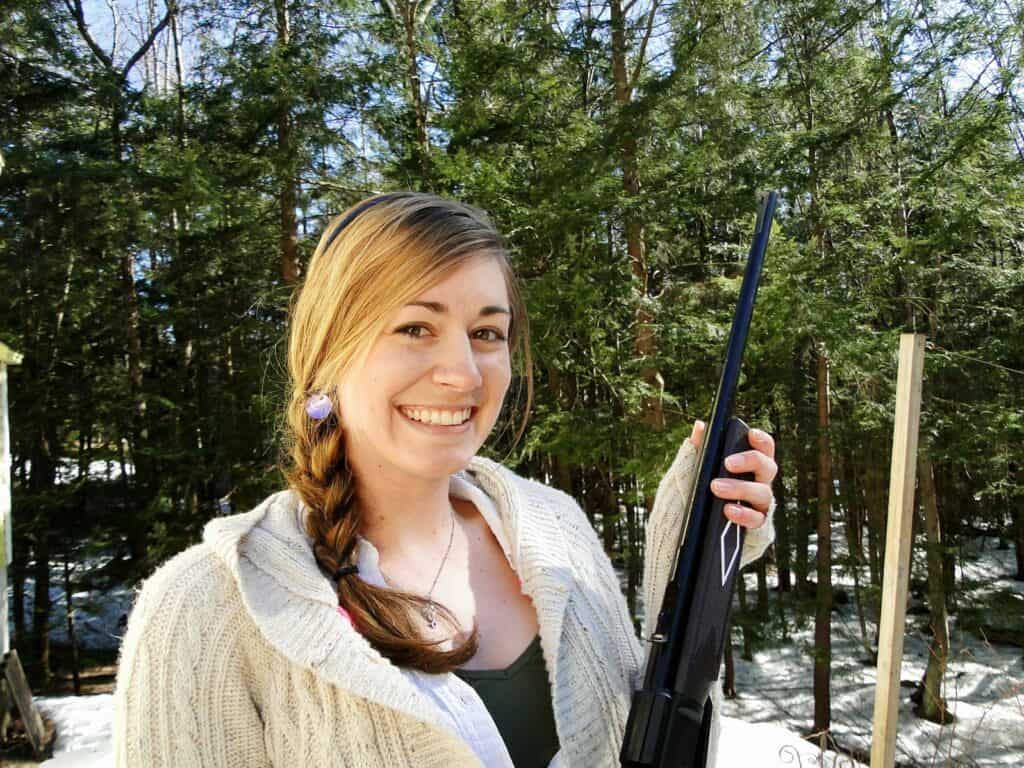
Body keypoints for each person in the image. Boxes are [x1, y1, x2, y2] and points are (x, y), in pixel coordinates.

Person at [112, 191, 777, 768]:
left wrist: (695, 561)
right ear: (325, 356)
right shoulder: (205, 609)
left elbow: (639, 737)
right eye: (415, 327)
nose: (462, 372)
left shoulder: (558, 532)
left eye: (487, 332)